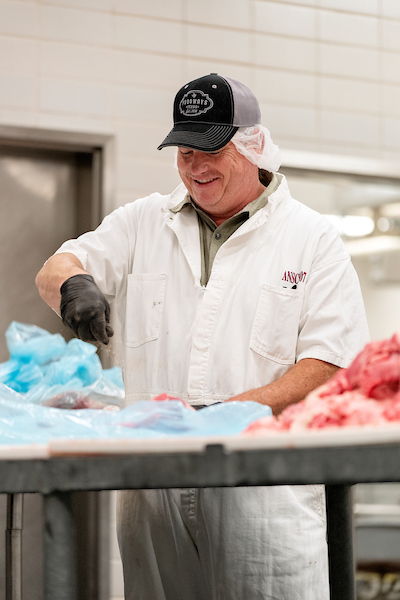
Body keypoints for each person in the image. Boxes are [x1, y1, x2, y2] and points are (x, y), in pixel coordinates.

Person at [36, 73, 369, 600]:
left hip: (262, 493)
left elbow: (330, 366)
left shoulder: (311, 240)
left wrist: (224, 416)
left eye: (210, 149)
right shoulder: (144, 221)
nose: (195, 166)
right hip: (154, 492)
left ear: (253, 145)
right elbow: (57, 265)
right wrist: (72, 283)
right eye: (184, 151)